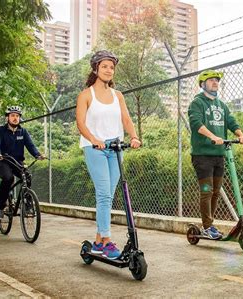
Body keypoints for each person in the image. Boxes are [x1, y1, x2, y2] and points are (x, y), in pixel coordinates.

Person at [76, 50, 141, 259]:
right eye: (104, 66)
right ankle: (106, 240)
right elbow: (81, 123)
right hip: (94, 148)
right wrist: (94, 139)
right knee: (104, 193)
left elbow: (126, 119)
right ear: (96, 68)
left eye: (111, 67)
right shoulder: (86, 95)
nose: (108, 70)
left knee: (109, 195)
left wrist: (133, 136)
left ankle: (97, 241)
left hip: (115, 149)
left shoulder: (117, 95)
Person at [188, 70, 243, 240]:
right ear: (202, 84)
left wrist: (240, 135)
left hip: (219, 155)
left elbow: (230, 121)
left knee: (215, 191)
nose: (215, 82)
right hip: (202, 156)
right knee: (206, 191)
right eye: (211, 80)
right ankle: (207, 227)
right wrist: (213, 136)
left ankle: (210, 223)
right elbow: (196, 123)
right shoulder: (197, 103)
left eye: (216, 80)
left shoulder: (222, 105)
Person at [0, 106, 46, 219]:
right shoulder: (0, 131)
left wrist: (37, 155)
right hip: (2, 161)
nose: (15, 118)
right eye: (12, 116)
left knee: (27, 176)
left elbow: (30, 146)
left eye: (17, 116)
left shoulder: (23, 132)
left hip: (17, 162)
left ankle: (27, 205)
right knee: (8, 178)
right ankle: (0, 206)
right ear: (7, 118)